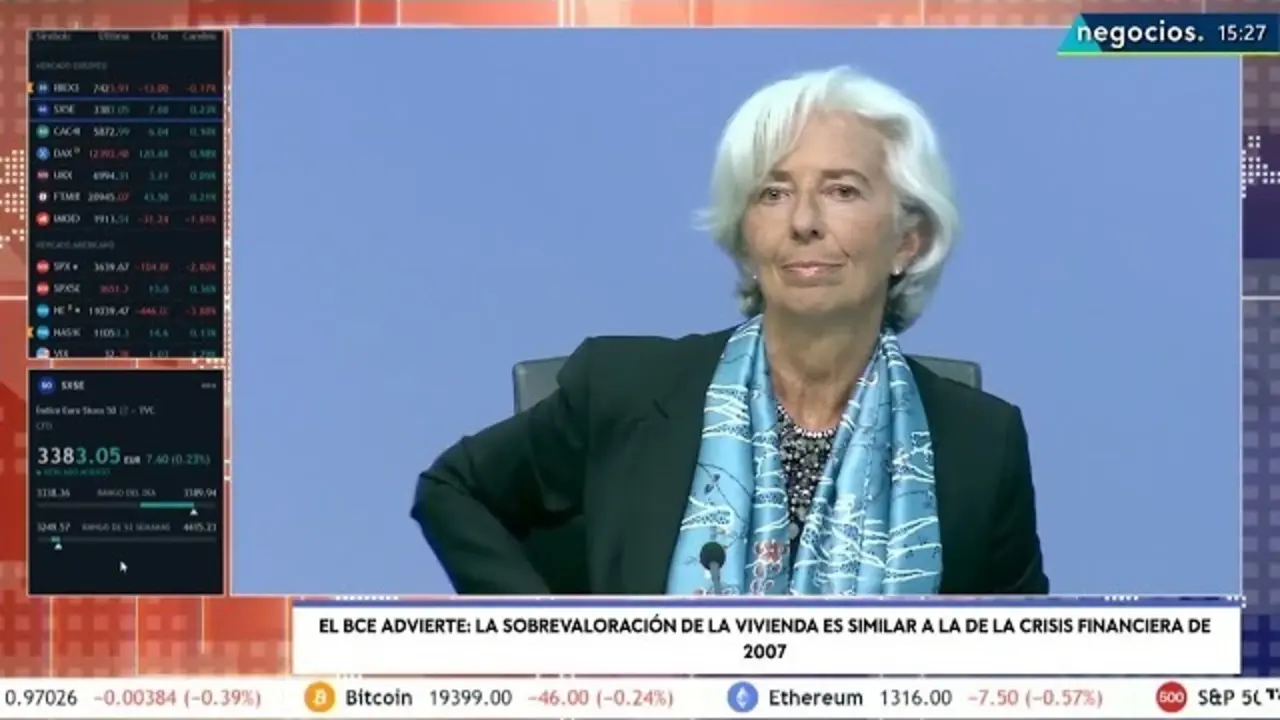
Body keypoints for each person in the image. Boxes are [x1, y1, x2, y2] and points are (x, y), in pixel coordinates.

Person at [414, 67, 1048, 596]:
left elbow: (1028, 658)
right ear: (746, 238)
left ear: (908, 241)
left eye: (842, 191)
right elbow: (452, 489)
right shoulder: (623, 390)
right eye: (773, 194)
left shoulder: (981, 443)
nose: (803, 221)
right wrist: (560, 651)